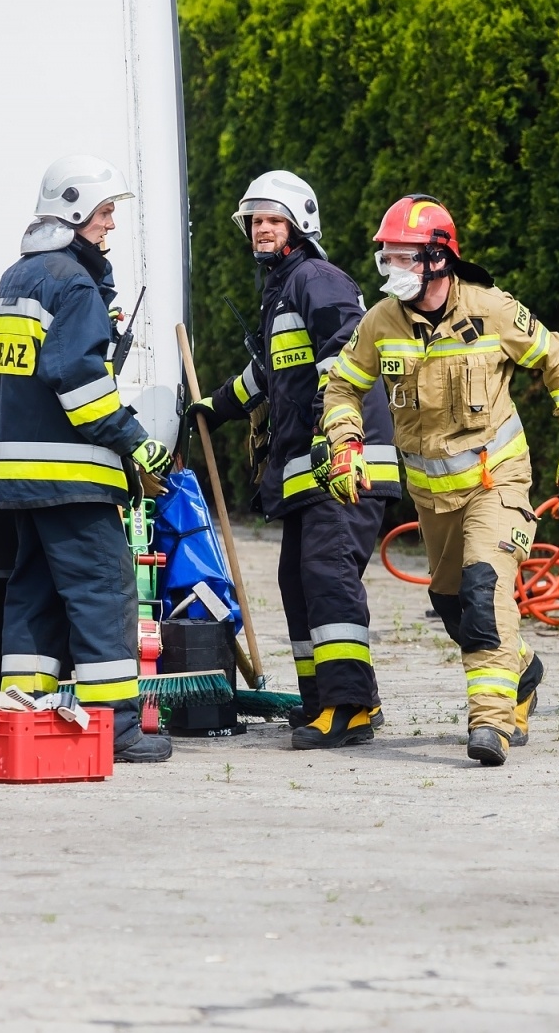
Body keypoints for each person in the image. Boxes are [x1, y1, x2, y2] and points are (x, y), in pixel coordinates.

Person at [318, 195, 559, 766]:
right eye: (386, 258)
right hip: (432, 500)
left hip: (496, 483)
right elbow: (342, 386)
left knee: (482, 592)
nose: (391, 269)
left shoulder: (492, 310)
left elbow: (557, 361)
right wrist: (344, 442)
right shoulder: (381, 323)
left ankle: (490, 724)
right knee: (454, 607)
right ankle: (522, 672)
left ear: (439, 260)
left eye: (403, 257)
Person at [186, 171, 401, 749]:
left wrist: (339, 437)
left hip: (345, 467)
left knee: (327, 580)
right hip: (313, 475)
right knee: (299, 582)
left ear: (299, 225)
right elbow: (270, 375)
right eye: (255, 220)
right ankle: (322, 702)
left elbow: (344, 358)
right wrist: (214, 407)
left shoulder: (318, 279)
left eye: (273, 219)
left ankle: (351, 708)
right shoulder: (282, 289)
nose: (261, 228)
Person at [0, 154, 173, 763]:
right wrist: (135, 440)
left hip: (20, 473)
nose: (111, 224)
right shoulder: (72, 282)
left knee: (34, 594)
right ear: (73, 211)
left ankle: (22, 715)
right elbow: (79, 382)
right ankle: (115, 728)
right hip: (71, 474)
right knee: (103, 589)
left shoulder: (19, 278)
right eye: (105, 212)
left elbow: (5, 361)